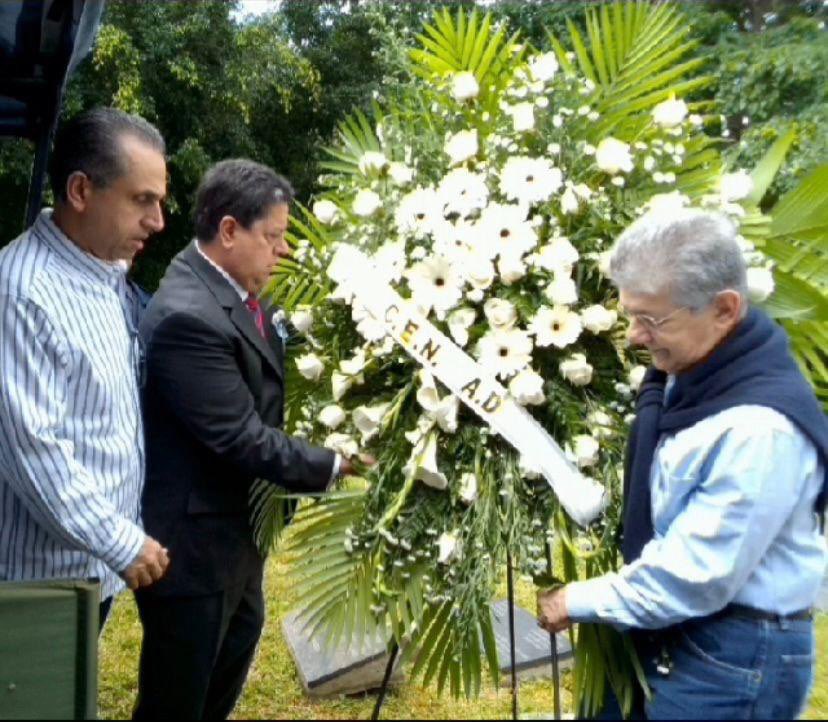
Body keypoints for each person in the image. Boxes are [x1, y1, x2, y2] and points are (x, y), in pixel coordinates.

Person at [537, 208, 827, 719]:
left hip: (731, 657)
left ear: (724, 309)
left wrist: (576, 600)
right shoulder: (699, 373)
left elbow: (694, 576)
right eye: (629, 315)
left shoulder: (758, 432)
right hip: (684, 634)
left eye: (650, 320)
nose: (633, 336)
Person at [133, 159, 362, 720]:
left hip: (233, 536)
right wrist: (336, 464)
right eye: (274, 237)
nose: (283, 252)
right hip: (190, 550)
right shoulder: (190, 316)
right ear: (230, 230)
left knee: (222, 676)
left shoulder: (236, 294)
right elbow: (240, 437)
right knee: (176, 701)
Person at [0, 107, 171, 628]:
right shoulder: (20, 293)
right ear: (80, 191)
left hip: (89, 570)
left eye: (160, 202)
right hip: (36, 584)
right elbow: (34, 448)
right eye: (142, 200)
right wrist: (120, 539)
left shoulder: (105, 274)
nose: (158, 222)